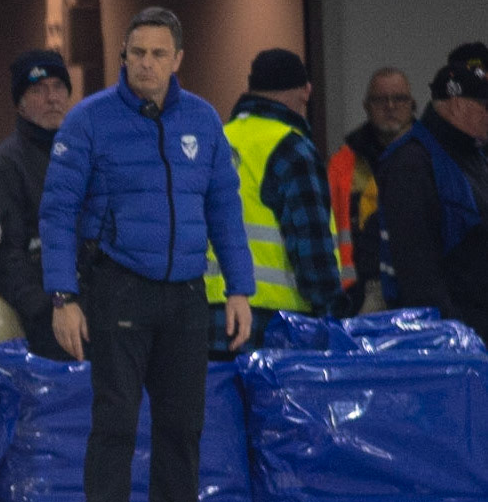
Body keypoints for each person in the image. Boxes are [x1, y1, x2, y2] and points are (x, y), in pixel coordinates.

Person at [39, 6, 253, 502]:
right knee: (117, 422)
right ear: (123, 57)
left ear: (178, 60)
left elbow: (224, 209)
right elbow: (57, 212)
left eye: (159, 54)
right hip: (117, 289)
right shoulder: (88, 122)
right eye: (137, 53)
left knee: (183, 425)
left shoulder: (204, 122)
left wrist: (239, 289)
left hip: (185, 293)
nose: (147, 64)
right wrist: (64, 297)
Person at [207, 48, 347, 355]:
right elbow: (311, 245)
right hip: (273, 326)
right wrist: (333, 314)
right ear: (306, 92)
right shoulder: (291, 149)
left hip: (205, 321)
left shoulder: (216, 140)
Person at [375, 48, 488, 344]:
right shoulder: (413, 162)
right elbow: (419, 275)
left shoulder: (474, 155)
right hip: (455, 339)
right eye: (485, 106)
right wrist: (458, 341)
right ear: (456, 104)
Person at [0, 49, 74, 360]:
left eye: (59, 87)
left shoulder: (84, 156)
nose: (52, 98)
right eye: (38, 90)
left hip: (99, 313)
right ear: (19, 103)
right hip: (46, 326)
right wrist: (46, 310)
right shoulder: (2, 166)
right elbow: (2, 254)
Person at [326, 67, 416, 315]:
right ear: (366, 106)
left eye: (399, 99)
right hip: (356, 296)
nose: (390, 106)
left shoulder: (431, 157)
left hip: (417, 290)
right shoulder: (342, 165)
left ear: (412, 104)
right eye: (380, 99)